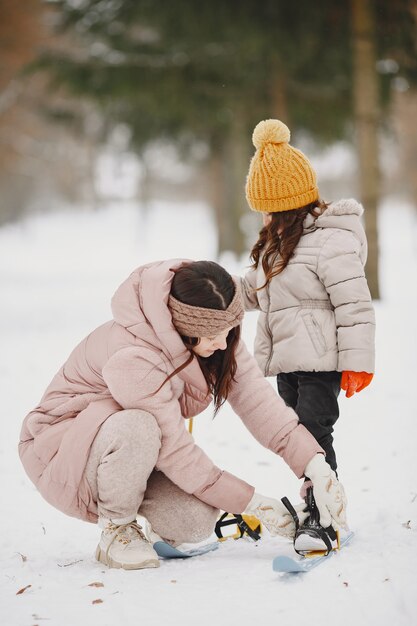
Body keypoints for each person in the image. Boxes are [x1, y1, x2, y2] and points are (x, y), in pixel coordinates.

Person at [19, 259, 347, 570]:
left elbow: (256, 398)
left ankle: (145, 520)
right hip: (64, 453)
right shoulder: (133, 356)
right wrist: (254, 504)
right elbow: (174, 448)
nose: (224, 343)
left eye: (230, 330)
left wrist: (314, 464)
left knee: (195, 520)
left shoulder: (219, 332)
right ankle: (116, 530)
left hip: (131, 451)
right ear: (183, 328)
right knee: (140, 426)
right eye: (214, 335)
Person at [241, 119, 375, 550]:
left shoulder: (330, 242)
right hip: (286, 361)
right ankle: (318, 500)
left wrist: (357, 362)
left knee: (314, 432)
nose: (264, 218)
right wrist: (207, 294)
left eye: (269, 210)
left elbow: (354, 305)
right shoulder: (276, 245)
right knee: (298, 437)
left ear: (292, 205)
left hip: (321, 361)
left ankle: (324, 515)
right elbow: (252, 291)